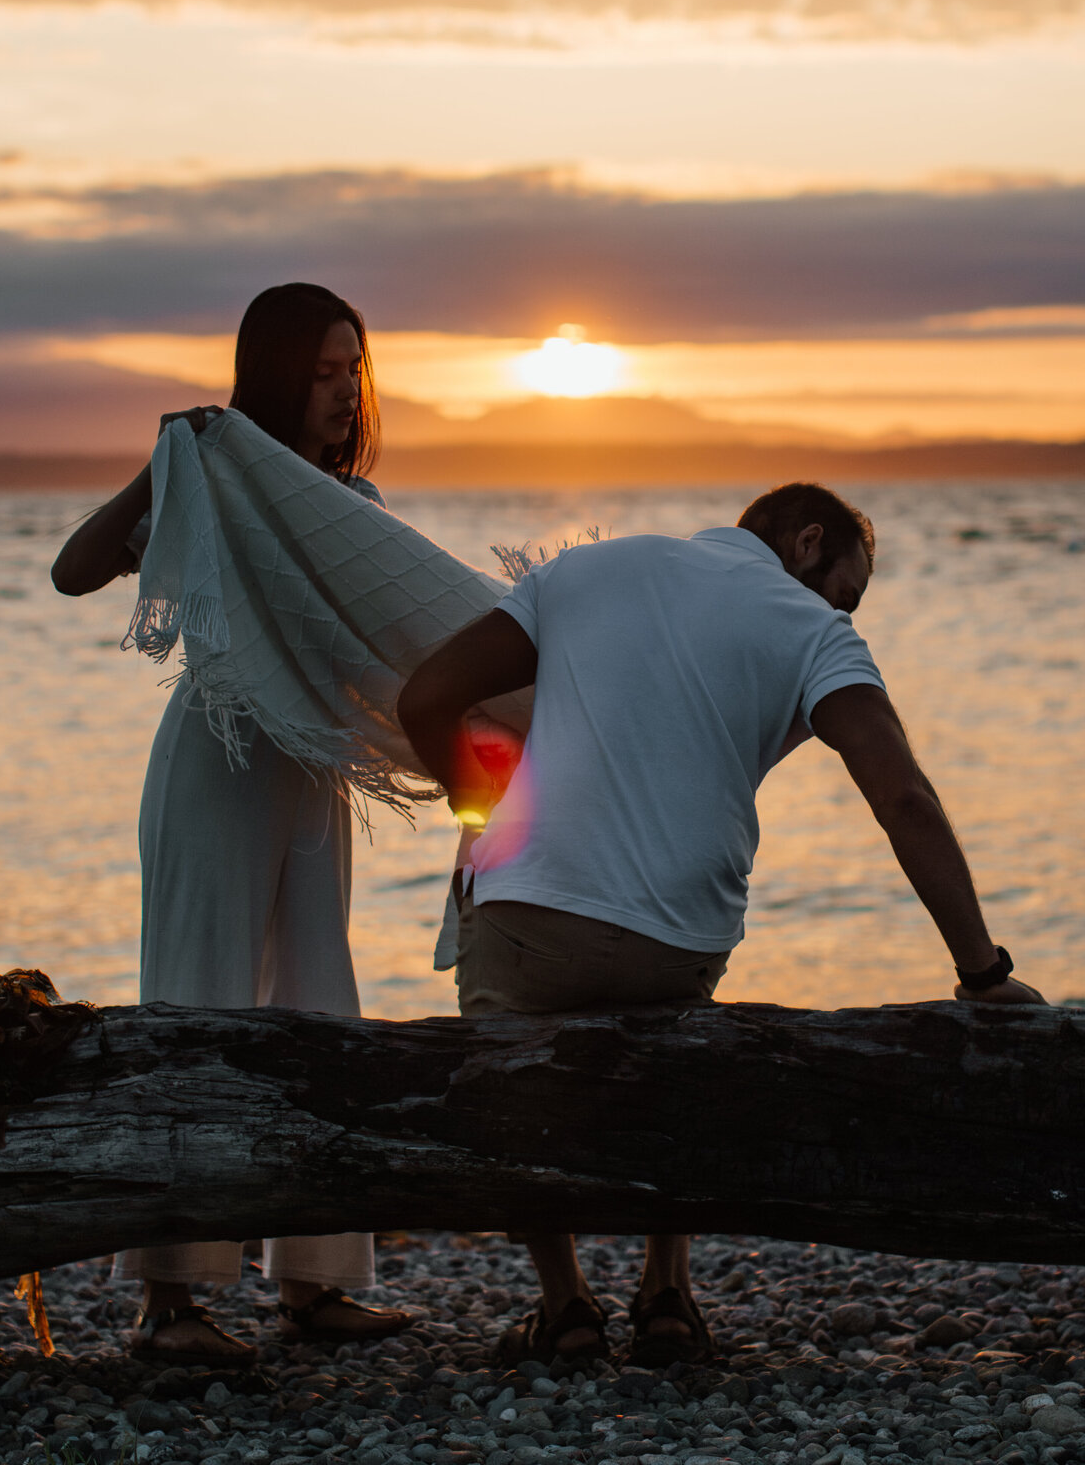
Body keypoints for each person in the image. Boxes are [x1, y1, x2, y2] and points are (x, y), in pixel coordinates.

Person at [396, 482, 1045, 1370]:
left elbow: (426, 697)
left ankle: (565, 1306)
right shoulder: (813, 631)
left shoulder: (584, 570)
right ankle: (666, 1293)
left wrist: (481, 809)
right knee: (678, 1055)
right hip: (674, 946)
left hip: (529, 923)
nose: (844, 611)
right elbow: (903, 797)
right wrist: (982, 972)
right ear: (808, 541)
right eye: (845, 590)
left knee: (511, 1079)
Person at [52, 283, 413, 1365]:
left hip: (310, 775)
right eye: (323, 370)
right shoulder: (209, 481)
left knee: (316, 1012)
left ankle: (313, 1282)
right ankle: (168, 1300)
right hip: (215, 760)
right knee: (197, 1003)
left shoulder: (361, 509)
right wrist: (162, 460)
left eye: (356, 369)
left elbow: (407, 640)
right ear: (273, 372)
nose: (346, 391)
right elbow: (74, 572)